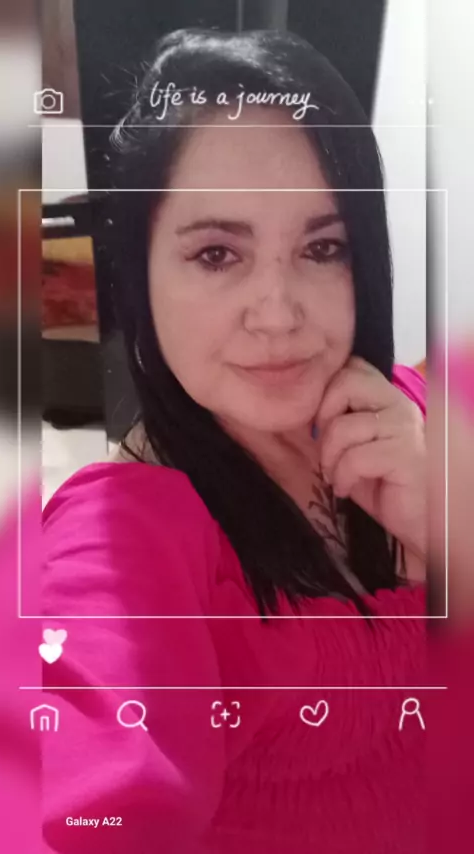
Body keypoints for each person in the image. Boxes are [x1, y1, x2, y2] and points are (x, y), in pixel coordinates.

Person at [42, 28, 427, 854]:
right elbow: (100, 800)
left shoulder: (409, 411)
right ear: (141, 275)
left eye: (323, 248)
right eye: (217, 253)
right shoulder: (124, 530)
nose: (279, 313)